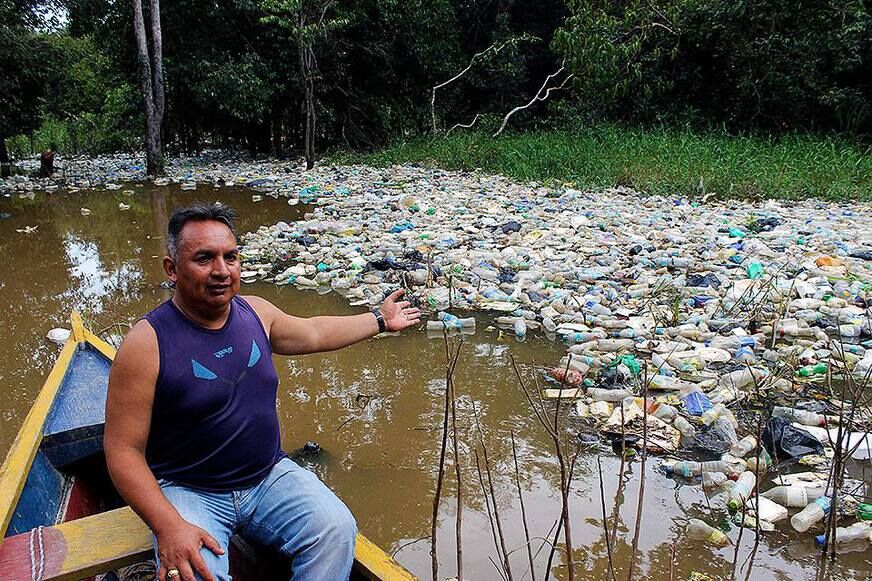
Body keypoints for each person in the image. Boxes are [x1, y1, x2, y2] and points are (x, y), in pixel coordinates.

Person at [104, 203, 420, 581]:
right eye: (204, 258)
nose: (221, 270)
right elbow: (123, 451)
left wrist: (380, 319)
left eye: (230, 257)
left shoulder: (255, 312)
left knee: (336, 530)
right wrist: (168, 525)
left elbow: (315, 331)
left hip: (268, 475)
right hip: (189, 489)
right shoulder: (146, 343)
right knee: (193, 572)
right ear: (171, 270)